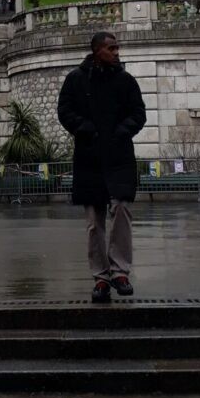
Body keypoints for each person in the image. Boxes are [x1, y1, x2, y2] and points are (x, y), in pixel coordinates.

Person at [58, 31, 147, 303]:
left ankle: (120, 271)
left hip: (119, 155)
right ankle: (100, 276)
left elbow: (139, 114)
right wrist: (86, 130)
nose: (117, 52)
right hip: (89, 156)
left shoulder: (125, 80)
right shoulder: (76, 80)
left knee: (121, 209)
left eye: (117, 47)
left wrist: (121, 132)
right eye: (112, 47)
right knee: (94, 221)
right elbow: (65, 112)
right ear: (97, 50)